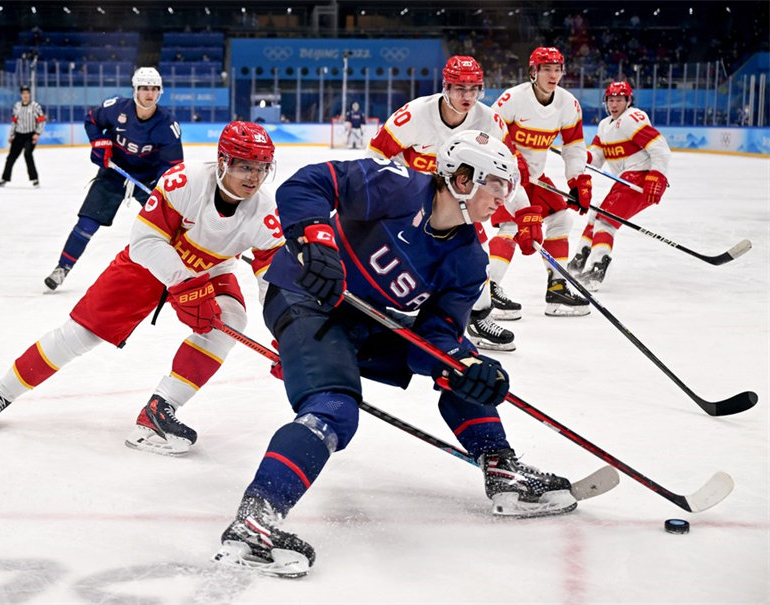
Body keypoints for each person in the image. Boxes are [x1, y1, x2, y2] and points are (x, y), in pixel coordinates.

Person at [212, 131, 578, 578]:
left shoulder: (467, 259)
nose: (502, 198)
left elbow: (438, 333)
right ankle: (255, 522)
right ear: (462, 179)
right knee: (334, 407)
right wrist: (316, 239)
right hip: (306, 296)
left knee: (461, 364)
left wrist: (465, 368)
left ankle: (501, 467)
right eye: (496, 185)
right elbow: (305, 184)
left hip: (372, 322)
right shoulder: (395, 185)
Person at [0, 122, 284, 457]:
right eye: (245, 166)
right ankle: (1, 391)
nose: (254, 178)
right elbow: (145, 241)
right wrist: (183, 282)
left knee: (231, 320)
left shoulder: (266, 213)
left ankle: (158, 412)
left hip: (210, 269)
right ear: (223, 161)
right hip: (148, 264)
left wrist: (289, 333)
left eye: (262, 168)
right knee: (79, 335)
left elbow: (273, 282)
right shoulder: (186, 181)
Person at [367, 55, 517, 351]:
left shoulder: (490, 121)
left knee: (472, 255)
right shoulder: (413, 116)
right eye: (460, 88)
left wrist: (523, 211)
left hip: (458, 201)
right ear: (445, 87)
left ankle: (477, 315)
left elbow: (509, 167)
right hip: (414, 198)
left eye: (474, 89)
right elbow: (375, 156)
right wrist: (391, 195)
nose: (468, 96)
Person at [43, 67, 183, 291]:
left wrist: (160, 189)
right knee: (87, 222)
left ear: (160, 92)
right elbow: (92, 120)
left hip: (147, 180)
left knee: (166, 227)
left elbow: (172, 167)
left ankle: (178, 274)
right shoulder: (116, 108)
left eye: (154, 88)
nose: (150, 93)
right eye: (144, 88)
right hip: (114, 172)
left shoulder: (167, 125)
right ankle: (63, 267)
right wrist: (99, 142)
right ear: (134, 90)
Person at [490, 47, 591, 317]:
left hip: (535, 178)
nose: (553, 75)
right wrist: (511, 156)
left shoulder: (568, 104)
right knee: (512, 225)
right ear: (533, 71)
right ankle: (488, 289)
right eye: (547, 68)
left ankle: (557, 288)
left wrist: (577, 178)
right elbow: (488, 131)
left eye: (558, 69)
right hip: (503, 177)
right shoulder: (513, 98)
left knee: (562, 219)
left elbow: (574, 145)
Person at [568, 81, 670, 290]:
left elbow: (660, 148)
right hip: (627, 179)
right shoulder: (605, 125)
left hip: (641, 179)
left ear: (628, 101)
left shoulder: (631, 118)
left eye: (619, 100)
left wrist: (657, 176)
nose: (614, 104)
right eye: (611, 100)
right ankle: (580, 259)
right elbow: (596, 157)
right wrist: (577, 156)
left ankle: (597, 268)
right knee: (596, 214)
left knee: (606, 221)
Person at [0, 85, 46, 188]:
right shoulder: (17, 106)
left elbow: (41, 121)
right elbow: (14, 122)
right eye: (23, 93)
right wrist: (11, 135)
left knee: (27, 154)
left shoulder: (35, 106)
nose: (25, 95)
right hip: (18, 135)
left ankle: (35, 179)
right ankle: (4, 178)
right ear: (21, 95)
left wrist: (37, 133)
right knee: (11, 157)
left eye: (27, 93)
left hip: (30, 135)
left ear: (29, 94)